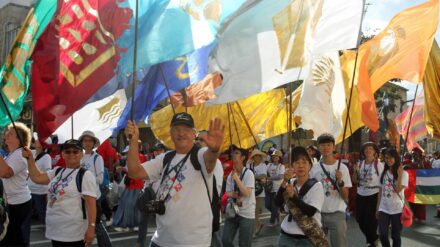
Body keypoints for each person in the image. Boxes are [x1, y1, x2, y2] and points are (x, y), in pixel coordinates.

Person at [125, 112, 224, 246]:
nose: (181, 133)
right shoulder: (166, 158)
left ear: (193, 133)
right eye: (177, 129)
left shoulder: (200, 156)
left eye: (186, 130)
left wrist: (215, 149)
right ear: (171, 133)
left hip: (191, 243)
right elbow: (134, 172)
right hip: (160, 240)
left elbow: (210, 159)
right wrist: (133, 141)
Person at [23, 139, 97, 247]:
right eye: (67, 151)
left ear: (82, 154)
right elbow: (37, 177)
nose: (71, 154)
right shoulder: (57, 171)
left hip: (73, 233)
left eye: (75, 151)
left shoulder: (85, 175)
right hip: (56, 231)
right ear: (62, 154)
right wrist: (30, 158)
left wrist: (91, 228)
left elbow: (91, 205)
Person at [275, 146, 326, 247]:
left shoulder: (316, 186)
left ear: (310, 165)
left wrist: (293, 197)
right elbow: (277, 203)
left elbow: (310, 211)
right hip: (286, 235)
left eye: (304, 162)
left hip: (307, 237)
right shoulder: (290, 183)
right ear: (292, 166)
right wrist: (284, 181)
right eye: (297, 162)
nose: (301, 166)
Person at [309, 133, 352, 247]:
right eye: (322, 145)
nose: (326, 148)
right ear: (318, 147)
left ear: (334, 147)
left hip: (337, 214)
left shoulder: (342, 168)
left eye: (329, 145)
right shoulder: (314, 169)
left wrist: (340, 182)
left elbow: (345, 196)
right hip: (318, 214)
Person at [0, 122, 33, 246]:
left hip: (18, 204)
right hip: (11, 202)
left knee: (15, 240)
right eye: (6, 133)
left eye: (10, 134)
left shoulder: (20, 154)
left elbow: (6, 173)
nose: (6, 136)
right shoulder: (12, 155)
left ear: (19, 138)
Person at [79, 130, 112, 246]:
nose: (87, 143)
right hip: (80, 196)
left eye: (90, 141)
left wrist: (86, 178)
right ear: (82, 142)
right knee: (82, 226)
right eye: (85, 140)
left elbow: (100, 179)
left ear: (93, 143)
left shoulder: (97, 158)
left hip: (93, 196)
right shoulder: (79, 157)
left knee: (97, 226)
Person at [222, 147, 255, 247]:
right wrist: (233, 194)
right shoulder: (230, 175)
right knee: (225, 240)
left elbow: (247, 193)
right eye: (233, 153)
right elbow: (227, 193)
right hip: (233, 211)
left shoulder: (248, 173)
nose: (233, 155)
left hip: (246, 214)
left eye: (236, 153)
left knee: (244, 244)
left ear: (243, 158)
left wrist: (236, 179)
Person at [353, 142, 384, 247]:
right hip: (361, 193)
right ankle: (373, 238)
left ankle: (371, 241)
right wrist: (355, 171)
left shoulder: (378, 165)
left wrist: (380, 201)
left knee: (370, 220)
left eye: (371, 149)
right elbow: (355, 180)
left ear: (375, 152)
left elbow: (383, 183)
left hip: (374, 194)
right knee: (359, 219)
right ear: (363, 152)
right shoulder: (359, 164)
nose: (368, 150)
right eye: (366, 149)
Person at [376, 148, 408, 247]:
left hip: (397, 209)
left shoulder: (404, 174)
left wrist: (399, 175)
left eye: (391, 158)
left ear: (396, 158)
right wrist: (377, 208)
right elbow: (380, 192)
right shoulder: (383, 173)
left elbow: (398, 190)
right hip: (384, 208)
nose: (388, 160)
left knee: (396, 236)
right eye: (386, 158)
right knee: (383, 234)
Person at [28, 138, 52, 223]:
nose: (35, 140)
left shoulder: (46, 157)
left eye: (38, 140)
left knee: (43, 214)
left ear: (42, 145)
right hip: (30, 190)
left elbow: (48, 172)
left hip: (40, 191)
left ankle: (48, 230)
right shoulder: (33, 153)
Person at [246, 149, 267, 236]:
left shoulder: (263, 165)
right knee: (251, 210)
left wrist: (253, 176)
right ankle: (258, 224)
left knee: (255, 211)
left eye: (259, 156)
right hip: (250, 189)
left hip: (259, 191)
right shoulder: (249, 164)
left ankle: (256, 227)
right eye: (255, 156)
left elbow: (264, 176)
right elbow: (246, 175)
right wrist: (256, 177)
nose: (257, 157)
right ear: (253, 157)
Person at [266, 150, 285, 227]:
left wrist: (269, 178)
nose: (275, 158)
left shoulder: (282, 166)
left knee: (274, 205)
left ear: (279, 158)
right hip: (268, 188)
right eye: (273, 157)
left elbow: (280, 177)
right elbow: (265, 173)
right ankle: (277, 213)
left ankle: (272, 221)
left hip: (277, 189)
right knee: (267, 205)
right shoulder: (269, 165)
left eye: (276, 157)